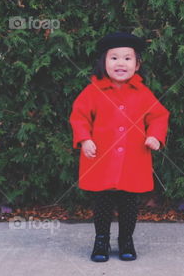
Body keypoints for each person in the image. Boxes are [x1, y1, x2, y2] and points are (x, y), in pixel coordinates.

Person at [69, 31, 170, 262]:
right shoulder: (93, 91)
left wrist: (154, 136)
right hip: (102, 158)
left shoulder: (143, 93)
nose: (120, 63)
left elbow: (158, 116)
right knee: (102, 203)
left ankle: (126, 240)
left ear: (137, 65)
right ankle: (101, 241)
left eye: (127, 58)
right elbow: (79, 117)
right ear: (104, 63)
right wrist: (85, 139)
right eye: (114, 58)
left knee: (129, 204)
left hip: (133, 159)